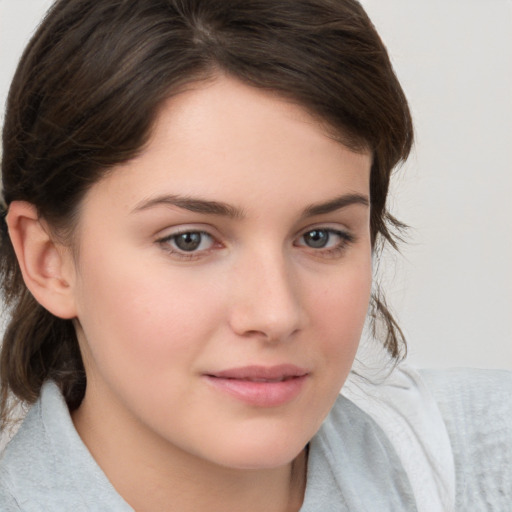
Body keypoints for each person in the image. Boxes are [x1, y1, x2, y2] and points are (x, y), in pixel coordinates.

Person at [0, 0, 510, 511]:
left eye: (320, 237)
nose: (276, 314)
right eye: (190, 240)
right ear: (49, 261)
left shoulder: (484, 463)